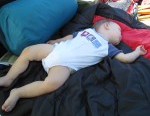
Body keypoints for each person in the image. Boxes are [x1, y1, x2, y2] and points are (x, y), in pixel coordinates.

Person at [0, 19, 147, 112]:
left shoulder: (107, 47)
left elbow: (125, 58)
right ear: (107, 26)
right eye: (119, 31)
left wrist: (136, 52)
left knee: (52, 83)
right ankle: (8, 77)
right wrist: (57, 41)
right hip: (55, 50)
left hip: (65, 66)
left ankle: (18, 92)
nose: (121, 37)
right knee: (28, 51)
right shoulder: (87, 31)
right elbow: (70, 37)